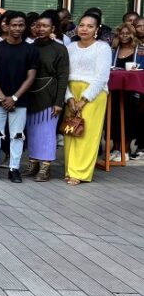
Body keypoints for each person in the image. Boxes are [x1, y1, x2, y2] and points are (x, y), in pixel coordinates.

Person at [0, 14, 39, 183]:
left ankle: (14, 169)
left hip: (19, 100)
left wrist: (14, 97)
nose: (17, 28)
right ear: (6, 26)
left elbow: (31, 77)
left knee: (17, 135)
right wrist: (2, 97)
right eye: (13, 25)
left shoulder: (30, 49)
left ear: (25, 27)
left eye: (21, 25)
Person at [64, 13, 112, 185]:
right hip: (71, 91)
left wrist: (84, 100)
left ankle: (80, 172)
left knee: (87, 133)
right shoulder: (70, 47)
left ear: (97, 29)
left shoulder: (102, 48)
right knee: (72, 130)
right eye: (82, 25)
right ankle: (70, 169)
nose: (85, 29)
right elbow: (63, 75)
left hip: (93, 93)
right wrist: (69, 98)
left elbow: (102, 77)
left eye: (90, 26)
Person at [24, 11, 70, 182]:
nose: (40, 29)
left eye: (45, 26)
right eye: (38, 25)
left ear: (53, 28)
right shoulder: (29, 46)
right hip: (30, 94)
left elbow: (63, 76)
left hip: (50, 95)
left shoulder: (59, 48)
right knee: (32, 131)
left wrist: (59, 102)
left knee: (47, 132)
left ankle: (45, 167)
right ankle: (33, 162)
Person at [107, 22, 143, 161]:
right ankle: (115, 148)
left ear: (133, 35)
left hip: (132, 90)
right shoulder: (114, 50)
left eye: (128, 33)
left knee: (129, 119)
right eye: (122, 33)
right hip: (115, 90)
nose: (124, 36)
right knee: (114, 118)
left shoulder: (139, 50)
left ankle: (125, 150)